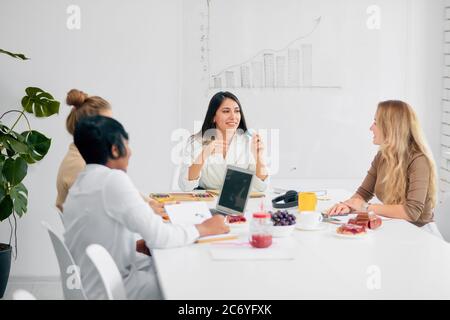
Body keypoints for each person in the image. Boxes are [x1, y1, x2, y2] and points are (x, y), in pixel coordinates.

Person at [63, 115, 229, 299]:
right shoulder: (112, 180)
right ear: (115, 149)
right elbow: (161, 237)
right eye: (127, 144)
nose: (131, 152)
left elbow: (97, 233)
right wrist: (205, 228)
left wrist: (132, 245)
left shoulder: (83, 181)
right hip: (115, 288)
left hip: (96, 283)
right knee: (188, 281)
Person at [328, 100, 442, 237]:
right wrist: (348, 205)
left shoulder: (418, 160)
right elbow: (364, 192)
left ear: (390, 127)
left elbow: (411, 212)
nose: (371, 128)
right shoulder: (382, 156)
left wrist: (365, 208)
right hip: (397, 228)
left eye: (376, 123)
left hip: (420, 234)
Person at [55, 89, 166, 216]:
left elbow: (120, 192)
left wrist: (149, 203)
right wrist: (146, 208)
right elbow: (114, 201)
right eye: (107, 123)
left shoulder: (84, 155)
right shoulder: (80, 165)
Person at [178, 91, 269, 192]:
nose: (233, 117)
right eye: (226, 111)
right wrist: (204, 154)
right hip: (206, 201)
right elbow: (185, 185)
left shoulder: (248, 141)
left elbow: (261, 186)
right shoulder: (196, 142)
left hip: (236, 202)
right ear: (213, 117)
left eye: (237, 111)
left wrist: (259, 158)